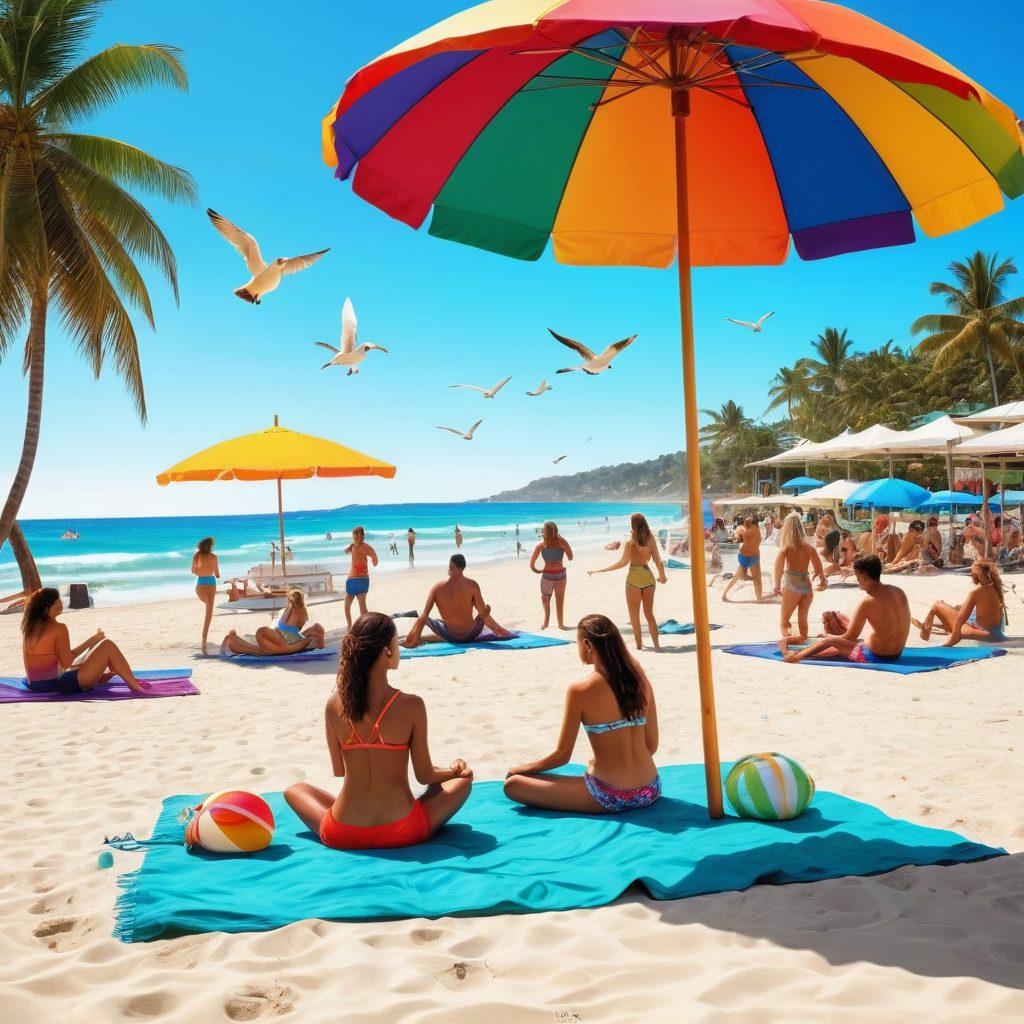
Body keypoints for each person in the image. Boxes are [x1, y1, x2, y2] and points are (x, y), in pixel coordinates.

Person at [284, 613, 473, 850]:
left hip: (342, 832)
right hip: (402, 830)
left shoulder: (333, 704)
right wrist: (453, 772)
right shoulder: (411, 705)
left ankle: (356, 812)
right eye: (396, 642)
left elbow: (339, 770)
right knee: (463, 783)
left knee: (295, 790)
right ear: (386, 650)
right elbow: (424, 776)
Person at [504, 614, 660, 813]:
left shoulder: (580, 690)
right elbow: (651, 746)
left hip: (610, 796)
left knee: (514, 785)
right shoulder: (640, 681)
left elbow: (562, 756)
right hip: (650, 789)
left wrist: (522, 768)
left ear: (587, 645)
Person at [782, 554, 910, 663]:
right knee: (845, 629)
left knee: (829, 642)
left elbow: (850, 638)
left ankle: (797, 656)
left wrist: (827, 636)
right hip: (897, 653)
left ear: (864, 575)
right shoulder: (898, 592)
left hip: (875, 656)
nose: (857, 579)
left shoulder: (868, 601)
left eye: (857, 575)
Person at [21, 588, 147, 694]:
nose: (61, 603)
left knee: (92, 652)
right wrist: (92, 642)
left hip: (35, 686)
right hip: (57, 687)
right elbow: (67, 663)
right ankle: (135, 687)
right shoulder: (59, 628)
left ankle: (101, 675)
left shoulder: (30, 628)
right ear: (46, 609)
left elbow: (58, 662)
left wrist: (92, 644)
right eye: (57, 601)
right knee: (107, 645)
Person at [588, 513, 667, 651]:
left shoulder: (631, 542)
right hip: (648, 577)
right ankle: (657, 645)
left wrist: (602, 570)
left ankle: (639, 646)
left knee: (634, 616)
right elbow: (657, 559)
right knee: (649, 614)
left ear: (633, 525)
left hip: (633, 580)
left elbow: (622, 563)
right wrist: (662, 575)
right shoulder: (650, 539)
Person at [402, 554, 515, 648]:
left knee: (424, 618)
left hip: (450, 635)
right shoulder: (473, 585)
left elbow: (424, 616)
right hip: (471, 634)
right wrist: (496, 628)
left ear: (451, 567)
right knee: (483, 613)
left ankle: (411, 642)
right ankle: (498, 629)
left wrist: (412, 637)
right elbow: (483, 615)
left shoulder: (437, 588)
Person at [915, 559, 1008, 644]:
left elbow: (959, 620)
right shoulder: (995, 588)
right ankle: (937, 625)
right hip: (997, 635)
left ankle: (924, 634)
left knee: (936, 605)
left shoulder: (976, 593)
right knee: (949, 610)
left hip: (985, 635)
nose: (971, 576)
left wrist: (951, 641)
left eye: (972, 573)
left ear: (977, 574)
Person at [772, 511, 827, 644]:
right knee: (803, 618)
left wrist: (777, 584)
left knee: (784, 622)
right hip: (806, 586)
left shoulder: (786, 549)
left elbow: (778, 569)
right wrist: (822, 580)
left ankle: (788, 640)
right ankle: (802, 638)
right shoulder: (809, 548)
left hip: (792, 585)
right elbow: (819, 568)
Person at [222, 588, 325, 656]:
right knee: (257, 638)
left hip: (286, 639)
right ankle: (235, 641)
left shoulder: (291, 609)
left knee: (260, 635)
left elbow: (286, 624)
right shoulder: (301, 610)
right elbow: (298, 626)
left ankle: (235, 642)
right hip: (290, 637)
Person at [530, 521, 574, 630]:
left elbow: (532, 565)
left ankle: (546, 623)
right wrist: (563, 541)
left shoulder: (540, 546)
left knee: (545, 599)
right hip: (560, 575)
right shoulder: (561, 543)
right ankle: (560, 624)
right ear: (556, 531)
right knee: (559, 599)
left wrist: (538, 571)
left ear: (543, 532)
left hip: (547, 576)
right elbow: (570, 557)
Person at [721, 514, 763, 602]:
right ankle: (759, 598)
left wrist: (737, 534)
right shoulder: (756, 528)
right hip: (754, 556)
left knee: (736, 577)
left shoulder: (741, 528)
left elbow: (736, 537)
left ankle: (724, 595)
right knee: (757, 579)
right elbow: (758, 540)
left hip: (743, 554)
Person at [344, 527, 378, 629]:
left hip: (358, 580)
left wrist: (374, 560)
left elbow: (374, 558)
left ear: (362, 536)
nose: (355, 538)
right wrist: (351, 546)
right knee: (352, 607)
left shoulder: (365, 547)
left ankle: (360, 627)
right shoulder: (354, 546)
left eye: (357, 536)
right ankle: (351, 626)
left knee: (356, 606)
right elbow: (347, 550)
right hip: (357, 580)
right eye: (354, 536)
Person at [191, 537, 220, 654]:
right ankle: (204, 641)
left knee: (207, 609)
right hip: (211, 584)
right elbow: (217, 574)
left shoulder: (196, 556)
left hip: (200, 584)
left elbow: (193, 571)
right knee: (208, 615)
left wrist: (201, 569)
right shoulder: (214, 557)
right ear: (211, 546)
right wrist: (211, 570)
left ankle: (203, 642)